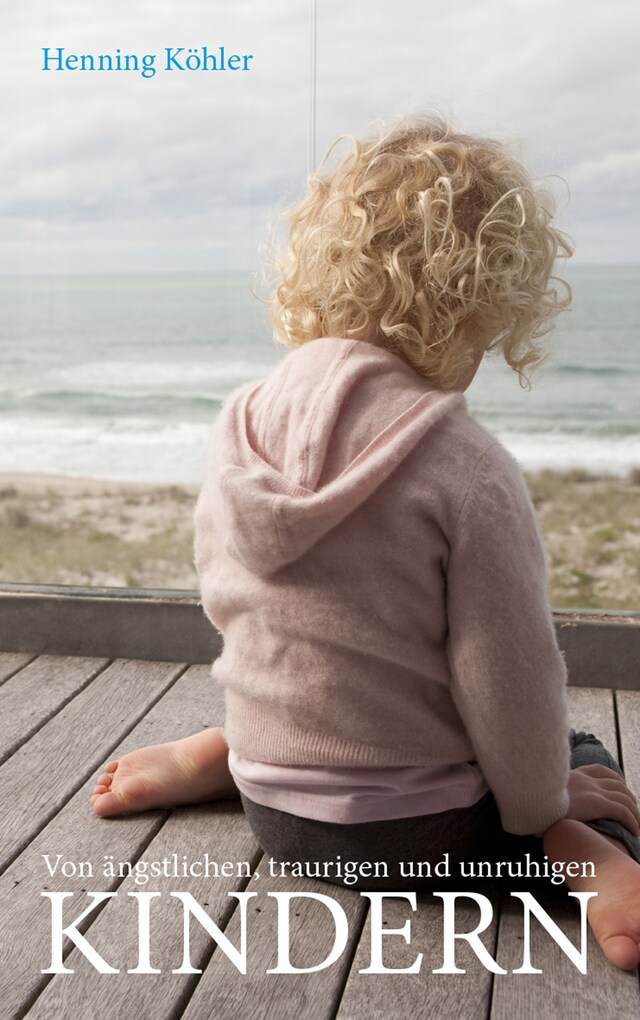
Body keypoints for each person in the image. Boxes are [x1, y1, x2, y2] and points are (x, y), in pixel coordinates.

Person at [91, 116, 640, 970]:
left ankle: (226, 747)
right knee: (581, 756)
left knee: (314, 651)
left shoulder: (239, 426)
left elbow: (236, 609)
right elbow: (510, 672)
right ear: (486, 302)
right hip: (430, 835)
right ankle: (587, 859)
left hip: (276, 813)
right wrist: (551, 803)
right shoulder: (467, 467)